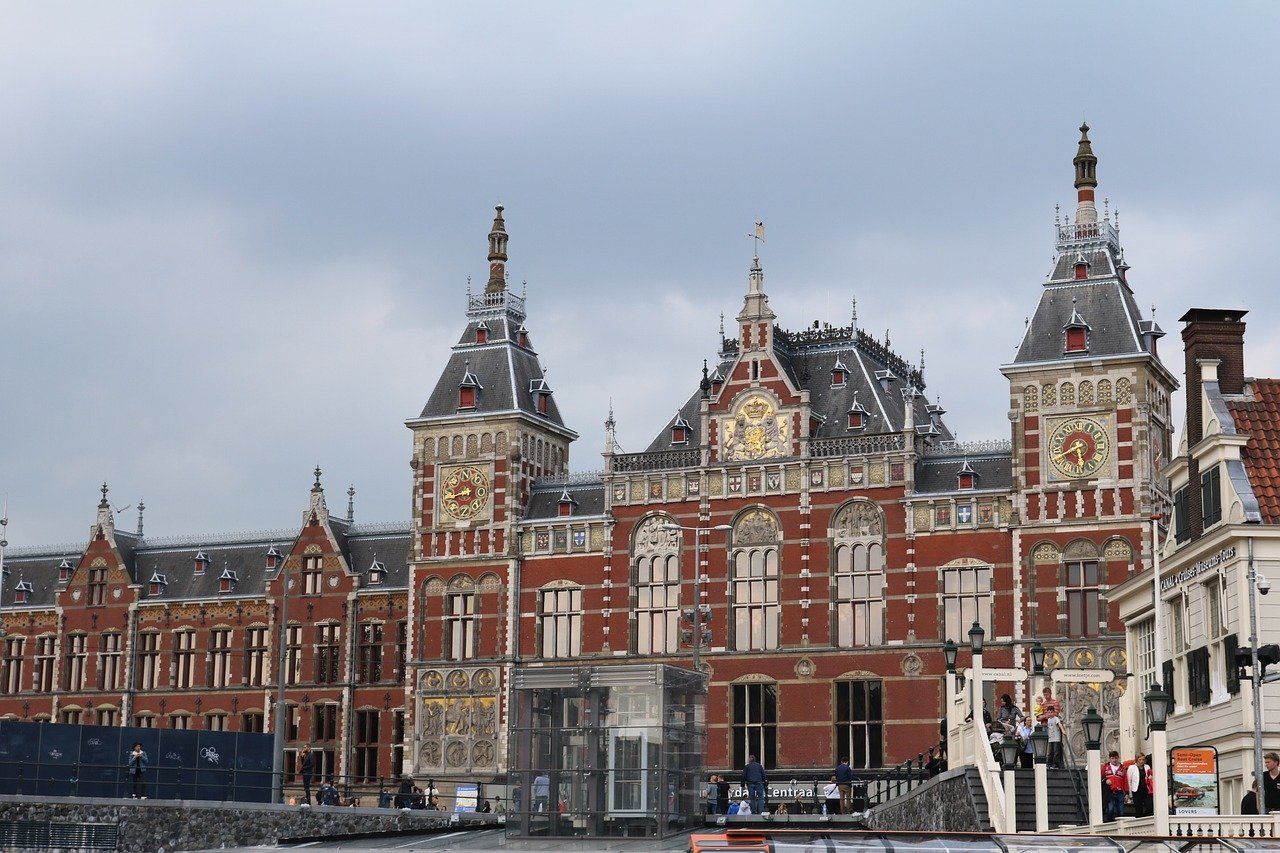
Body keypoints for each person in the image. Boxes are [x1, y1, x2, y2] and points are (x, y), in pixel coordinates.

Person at [1101, 751, 1127, 821]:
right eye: (1112, 758)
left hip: (1120, 792)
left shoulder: (1122, 768)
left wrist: (1127, 793)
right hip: (1109, 791)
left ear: (1118, 758)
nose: (1114, 760)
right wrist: (1105, 780)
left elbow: (1125, 781)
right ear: (1110, 759)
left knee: (1121, 811)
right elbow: (1100, 777)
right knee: (1110, 809)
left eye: (1116, 758)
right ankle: (1110, 824)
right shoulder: (1105, 767)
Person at [1127, 753, 1151, 818]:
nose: (1141, 761)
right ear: (1137, 760)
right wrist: (1130, 793)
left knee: (1150, 806)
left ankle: (1145, 817)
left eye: (1143, 759)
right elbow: (1129, 780)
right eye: (1140, 759)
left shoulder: (1147, 767)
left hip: (1146, 790)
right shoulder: (1132, 767)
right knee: (1138, 808)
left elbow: (1150, 777)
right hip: (1136, 791)